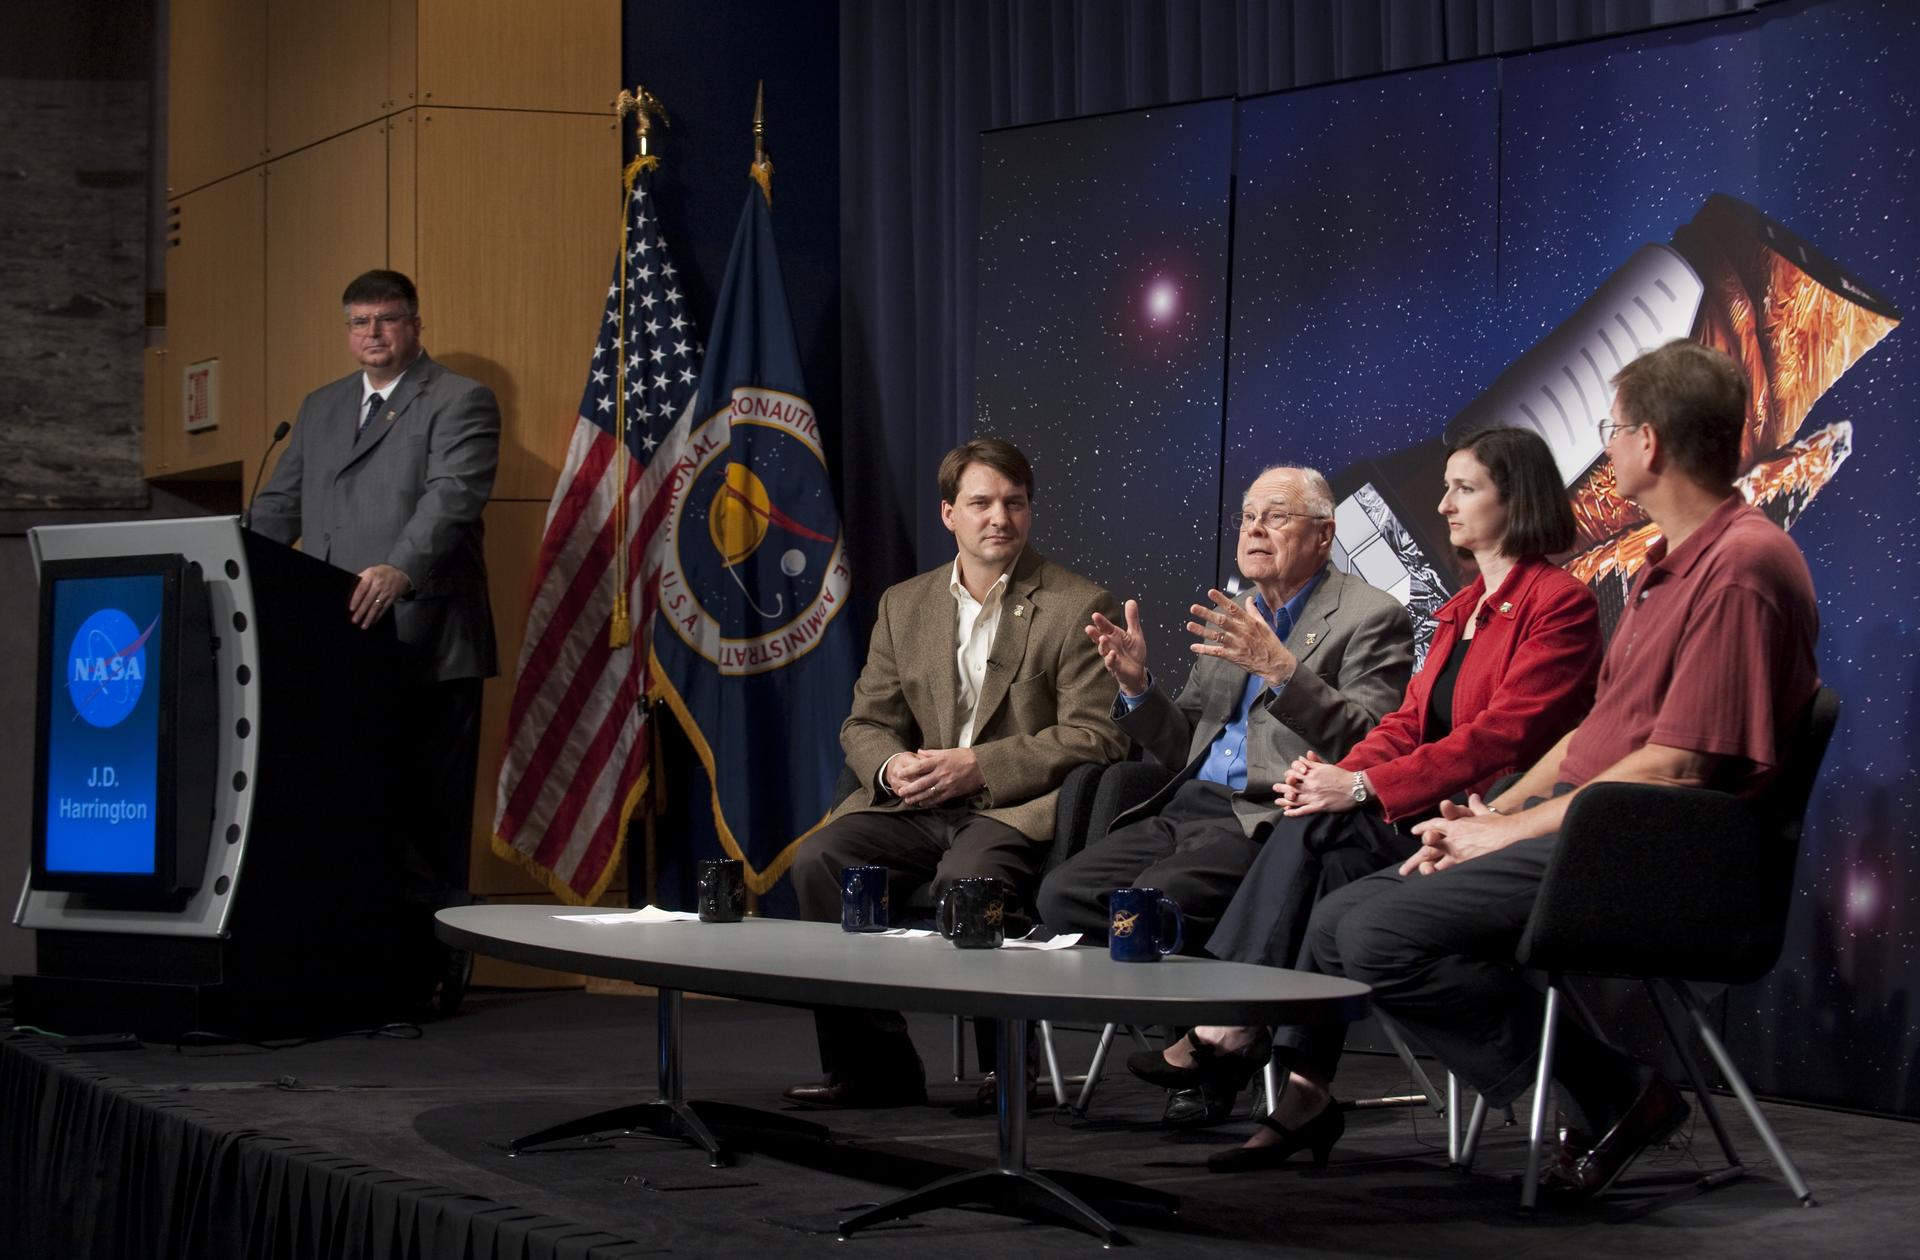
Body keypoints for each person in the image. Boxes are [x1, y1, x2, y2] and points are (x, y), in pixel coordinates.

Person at [1212, 341, 1820, 1195]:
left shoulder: (1739, 567)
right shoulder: (1664, 569)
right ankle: (1609, 1092)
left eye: (1612, 429)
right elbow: (1589, 738)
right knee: (1342, 915)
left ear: (1648, 442)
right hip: (1594, 825)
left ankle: (1609, 1094)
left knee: (1375, 930)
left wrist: (1503, 827)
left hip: (1656, 854)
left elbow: (1678, 769)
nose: (1604, 447)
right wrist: (1487, 820)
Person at [1130, 427, 1602, 1125]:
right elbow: (1406, 725)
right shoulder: (1460, 610)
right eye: (1445, 488)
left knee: (1321, 835)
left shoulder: (1560, 603)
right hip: (1429, 811)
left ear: (1517, 499)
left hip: (1493, 821)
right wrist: (1335, 776)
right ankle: (1301, 1088)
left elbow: (1500, 737)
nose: (1443, 505)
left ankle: (1238, 1029)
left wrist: (1358, 787)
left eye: (1463, 489)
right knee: (1327, 844)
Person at [782, 438, 1127, 1108]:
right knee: (821, 860)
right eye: (981, 503)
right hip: (917, 806)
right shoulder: (903, 605)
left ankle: (1008, 1070)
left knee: (969, 882)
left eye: (1015, 503)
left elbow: (1098, 736)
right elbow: (866, 722)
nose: (1000, 517)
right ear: (949, 513)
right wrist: (892, 767)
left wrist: (979, 765)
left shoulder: (1078, 604)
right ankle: (876, 1067)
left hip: (1012, 809)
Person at [250, 268, 500, 1013]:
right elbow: (278, 505)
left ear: (415, 324)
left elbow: (452, 498)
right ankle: (364, 966)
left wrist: (401, 567)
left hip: (427, 639)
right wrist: (226, 564)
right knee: (356, 811)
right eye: (360, 322)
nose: (373, 334)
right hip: (337, 647)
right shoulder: (321, 407)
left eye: (387, 319)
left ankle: (435, 971)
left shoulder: (458, 399)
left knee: (428, 816)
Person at [1035, 466, 1413, 958]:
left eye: (1276, 517)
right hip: (1189, 807)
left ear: (1324, 535)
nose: (1255, 529)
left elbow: (1372, 742)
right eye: (1248, 517)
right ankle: (1182, 978)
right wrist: (1137, 686)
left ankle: (1209, 993)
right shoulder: (1231, 611)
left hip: (1265, 819)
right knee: (1061, 896)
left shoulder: (1372, 615)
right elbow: (1183, 745)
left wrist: (1282, 670)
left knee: (1155, 900)